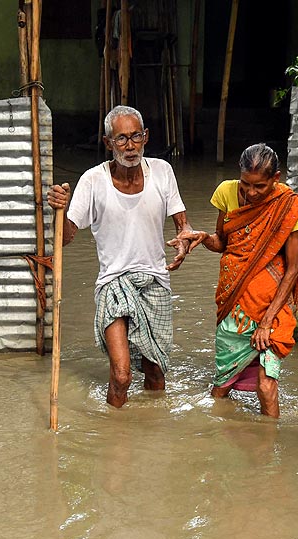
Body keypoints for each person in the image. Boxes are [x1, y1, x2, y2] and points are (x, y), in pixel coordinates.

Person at [46, 105, 197, 408]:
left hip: (155, 282)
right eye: (121, 139)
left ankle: (152, 428)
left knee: (155, 373)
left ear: (146, 137)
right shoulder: (93, 180)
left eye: (135, 136)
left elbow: (183, 225)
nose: (130, 146)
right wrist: (58, 211)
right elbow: (65, 237)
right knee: (122, 375)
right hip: (113, 283)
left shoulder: (162, 172)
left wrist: (185, 240)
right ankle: (114, 433)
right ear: (108, 143)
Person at [171, 143, 298, 418]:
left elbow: (293, 269)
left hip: (272, 306)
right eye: (246, 184)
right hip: (234, 304)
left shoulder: (287, 206)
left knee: (266, 387)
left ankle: (269, 441)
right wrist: (203, 238)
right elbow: (223, 242)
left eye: (260, 186)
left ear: (276, 178)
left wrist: (267, 322)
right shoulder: (226, 192)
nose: (251, 192)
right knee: (221, 387)